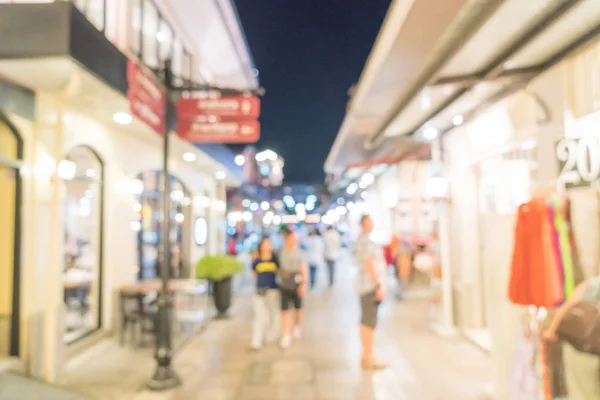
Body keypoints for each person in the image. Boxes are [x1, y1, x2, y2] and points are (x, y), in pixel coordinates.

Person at [544, 276, 600, 399]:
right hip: (584, 351)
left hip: (580, 349)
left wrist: (552, 330)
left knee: (580, 394)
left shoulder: (593, 284)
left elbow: (571, 303)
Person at [354, 215, 387, 370]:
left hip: (363, 285)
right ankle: (368, 355)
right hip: (368, 286)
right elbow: (369, 262)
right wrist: (378, 284)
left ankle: (366, 354)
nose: (372, 224)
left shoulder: (361, 240)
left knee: (367, 320)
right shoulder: (366, 241)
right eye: (370, 222)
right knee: (369, 321)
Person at [278, 226, 308, 349]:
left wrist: (303, 284)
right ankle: (286, 333)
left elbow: (303, 269)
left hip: (296, 281)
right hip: (285, 282)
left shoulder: (299, 253)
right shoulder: (281, 252)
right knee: (285, 310)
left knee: (297, 309)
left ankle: (296, 326)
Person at [251, 237, 280, 351]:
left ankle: (270, 335)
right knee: (259, 316)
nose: (267, 246)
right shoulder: (256, 260)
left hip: (273, 290)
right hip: (259, 291)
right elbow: (253, 274)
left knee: (272, 314)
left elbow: (279, 271)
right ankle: (256, 340)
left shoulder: (275, 259)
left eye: (269, 244)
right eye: (265, 244)